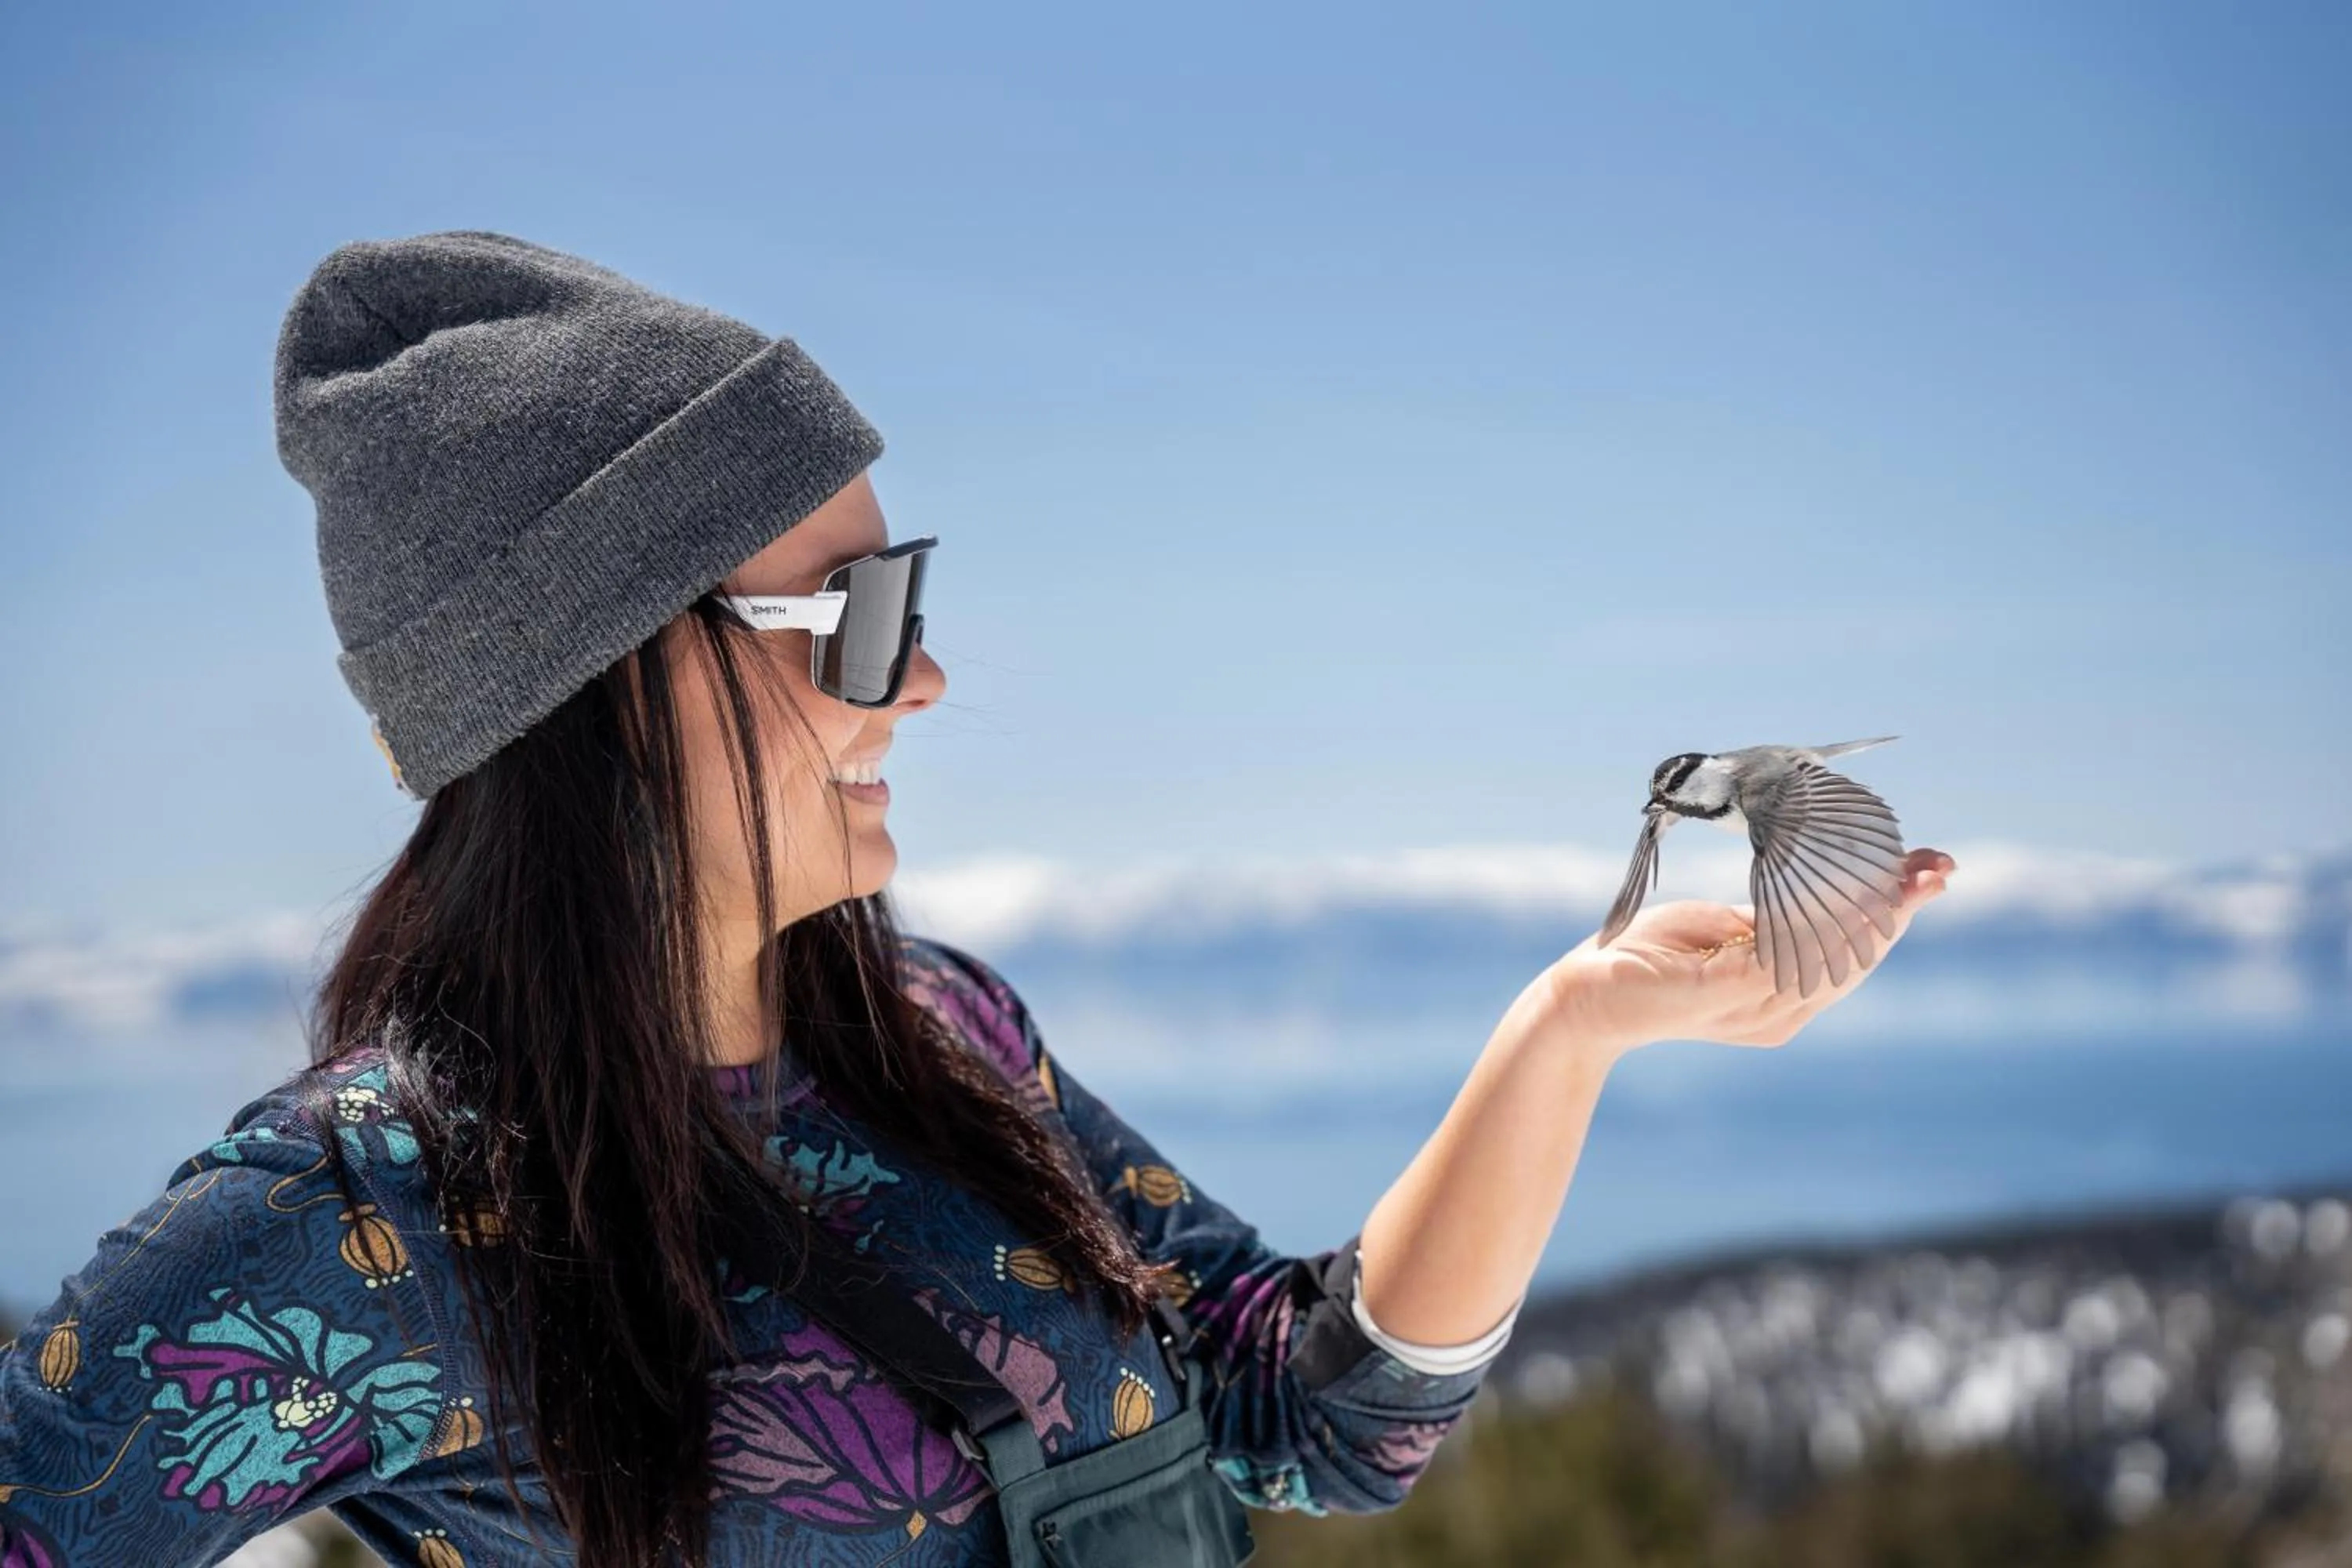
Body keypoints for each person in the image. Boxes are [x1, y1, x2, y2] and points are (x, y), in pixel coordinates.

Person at [0, 230, 1956, 1568]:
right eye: (849, 619)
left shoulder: (945, 1040)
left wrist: (1576, 1024)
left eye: (906, 596)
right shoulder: (369, 1222)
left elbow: (1311, 1413)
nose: (920, 677)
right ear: (592, 682)